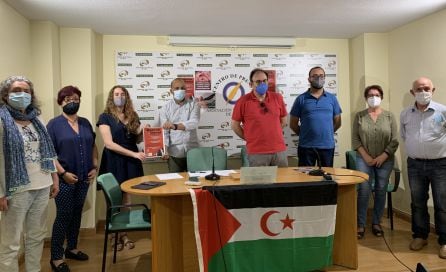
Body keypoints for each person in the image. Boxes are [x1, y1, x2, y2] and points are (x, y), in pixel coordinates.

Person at [0, 76, 59, 272]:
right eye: (17, 90)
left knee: (36, 236)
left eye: (26, 91)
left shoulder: (36, 118)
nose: (22, 94)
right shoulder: (2, 119)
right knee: (11, 243)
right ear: (6, 95)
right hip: (16, 189)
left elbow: (47, 151)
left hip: (41, 184)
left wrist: (54, 177)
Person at [47, 86, 98, 271]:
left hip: (84, 179)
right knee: (63, 216)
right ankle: (56, 257)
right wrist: (62, 174)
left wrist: (95, 166)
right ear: (61, 102)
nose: (72, 102)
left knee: (76, 214)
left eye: (75, 98)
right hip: (64, 180)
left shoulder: (85, 123)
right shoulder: (53, 125)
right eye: (67, 99)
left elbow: (93, 145)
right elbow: (49, 154)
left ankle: (72, 248)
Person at [400, 77, 446, 259]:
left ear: (433, 90)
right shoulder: (405, 114)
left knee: (442, 204)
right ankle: (420, 236)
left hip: (440, 165)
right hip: (415, 164)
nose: (423, 91)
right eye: (419, 89)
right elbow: (405, 136)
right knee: (418, 202)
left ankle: (444, 241)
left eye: (427, 88)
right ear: (412, 92)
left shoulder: (443, 111)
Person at [97, 85, 145, 251]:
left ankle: (124, 234)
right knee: (113, 199)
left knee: (126, 200)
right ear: (112, 97)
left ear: (127, 97)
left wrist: (146, 133)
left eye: (122, 94)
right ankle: (113, 235)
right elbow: (109, 144)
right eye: (116, 94)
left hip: (131, 162)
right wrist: (133, 155)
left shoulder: (133, 115)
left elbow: (137, 141)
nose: (120, 96)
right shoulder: (105, 117)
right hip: (114, 160)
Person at [352, 85, 399, 239]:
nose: (374, 97)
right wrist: (366, 157)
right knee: (364, 191)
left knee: (380, 190)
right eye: (370, 95)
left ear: (381, 97)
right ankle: (360, 225)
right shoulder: (359, 116)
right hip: (363, 159)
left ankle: (376, 223)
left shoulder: (389, 116)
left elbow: (395, 140)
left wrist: (383, 156)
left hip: (385, 159)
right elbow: (355, 139)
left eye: (377, 94)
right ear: (366, 98)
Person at [231, 68, 288, 167]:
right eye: (258, 82)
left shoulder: (277, 98)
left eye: (264, 81)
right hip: (257, 153)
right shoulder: (243, 101)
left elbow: (283, 121)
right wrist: (250, 138)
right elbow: (235, 125)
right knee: (260, 182)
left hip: (279, 151)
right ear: (251, 84)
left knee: (283, 181)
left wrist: (272, 134)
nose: (262, 84)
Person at [289, 66, 342, 167]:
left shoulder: (332, 99)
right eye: (315, 76)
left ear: (325, 78)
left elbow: (338, 122)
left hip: (327, 146)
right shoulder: (301, 99)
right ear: (309, 79)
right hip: (306, 147)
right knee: (305, 179)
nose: (318, 78)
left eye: (321, 76)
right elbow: (293, 124)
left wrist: (327, 132)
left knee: (326, 177)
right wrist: (306, 133)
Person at [159, 78, 200, 172]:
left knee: (195, 180)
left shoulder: (194, 104)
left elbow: (194, 122)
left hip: (192, 151)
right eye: (176, 88)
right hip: (174, 153)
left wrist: (175, 126)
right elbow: (164, 132)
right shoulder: (165, 108)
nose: (180, 90)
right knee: (175, 182)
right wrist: (165, 150)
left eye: (182, 88)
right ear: (171, 91)